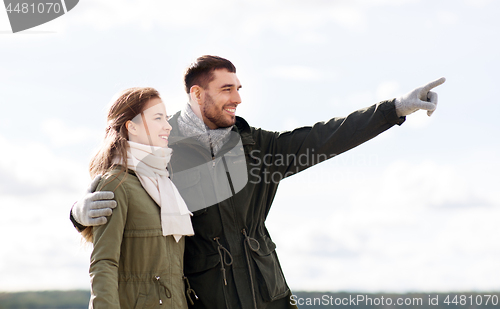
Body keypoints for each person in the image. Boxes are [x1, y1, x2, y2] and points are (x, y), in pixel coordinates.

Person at [71, 56, 445, 309]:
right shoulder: (163, 148)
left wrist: (395, 109)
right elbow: (120, 175)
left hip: (269, 293)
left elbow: (325, 138)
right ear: (197, 94)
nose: (237, 98)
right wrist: (78, 212)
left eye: (239, 89)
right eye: (227, 90)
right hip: (206, 297)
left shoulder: (259, 149)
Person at [83, 87, 195, 309]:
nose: (168, 126)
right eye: (157, 118)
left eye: (167, 117)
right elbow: (104, 263)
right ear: (131, 126)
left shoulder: (165, 183)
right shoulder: (116, 183)